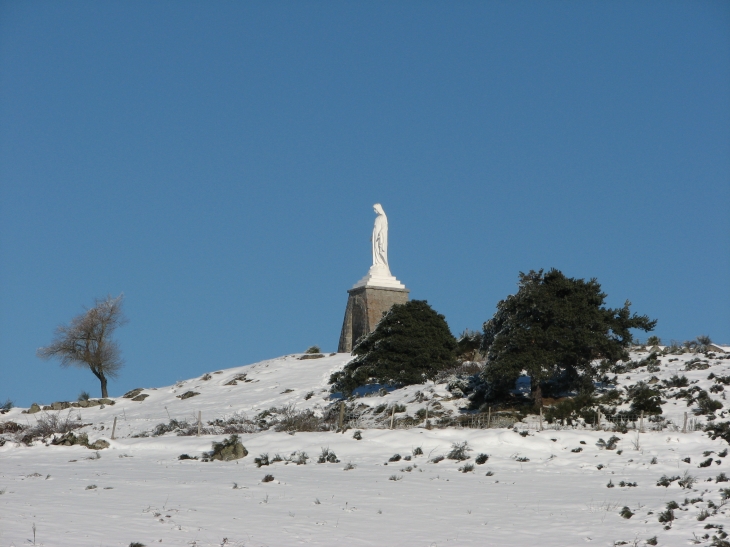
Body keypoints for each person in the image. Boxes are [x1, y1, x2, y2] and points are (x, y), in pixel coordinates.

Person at [372, 203, 388, 268]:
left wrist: (380, 234)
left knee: (379, 250)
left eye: (375, 209)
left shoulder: (382, 217)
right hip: (375, 237)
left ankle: (381, 263)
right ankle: (377, 263)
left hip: (379, 237)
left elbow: (384, 228)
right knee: (376, 250)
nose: (375, 211)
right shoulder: (377, 218)